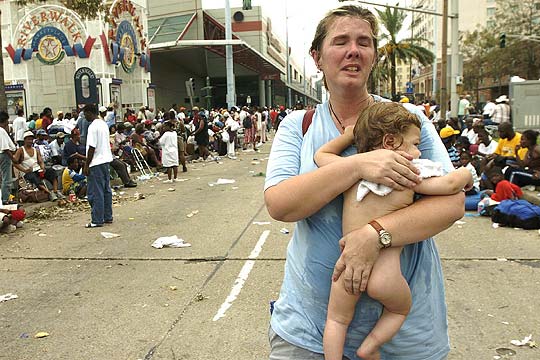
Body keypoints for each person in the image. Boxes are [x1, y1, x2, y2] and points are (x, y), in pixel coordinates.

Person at [264, 5, 464, 360]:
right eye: (340, 41)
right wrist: (357, 166)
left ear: (373, 56)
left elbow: (452, 202)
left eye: (364, 42)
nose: (353, 50)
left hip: (405, 339)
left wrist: (373, 235)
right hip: (308, 331)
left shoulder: (408, 121)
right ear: (318, 57)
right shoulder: (299, 125)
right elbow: (281, 204)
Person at [314, 102, 472, 360]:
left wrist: (347, 137)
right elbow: (451, 184)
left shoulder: (350, 169)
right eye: (414, 143)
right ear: (390, 141)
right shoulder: (409, 173)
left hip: (346, 267)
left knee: (336, 320)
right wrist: (467, 173)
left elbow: (320, 155)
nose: (418, 152)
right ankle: (370, 347)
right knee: (399, 310)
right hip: (384, 277)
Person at [82, 104, 113, 228]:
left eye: (85, 114)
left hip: (96, 162)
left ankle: (97, 219)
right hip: (106, 160)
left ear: (90, 113)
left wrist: (86, 164)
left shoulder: (93, 127)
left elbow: (91, 147)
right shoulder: (103, 124)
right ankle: (107, 216)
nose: (85, 117)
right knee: (106, 190)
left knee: (96, 192)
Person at [12, 131, 63, 201]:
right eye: (28, 139)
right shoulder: (21, 150)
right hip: (28, 172)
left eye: (31, 139)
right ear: (25, 140)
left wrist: (42, 167)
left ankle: (55, 191)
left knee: (52, 172)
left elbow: (40, 161)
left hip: (37, 169)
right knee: (34, 178)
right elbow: (14, 163)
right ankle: (49, 193)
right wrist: (23, 170)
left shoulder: (35, 150)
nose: (30, 141)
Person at [0, 111, 17, 204]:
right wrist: (13, 158)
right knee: (7, 178)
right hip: (4, 155)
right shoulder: (1, 130)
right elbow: (5, 147)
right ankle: (6, 199)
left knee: (3, 177)